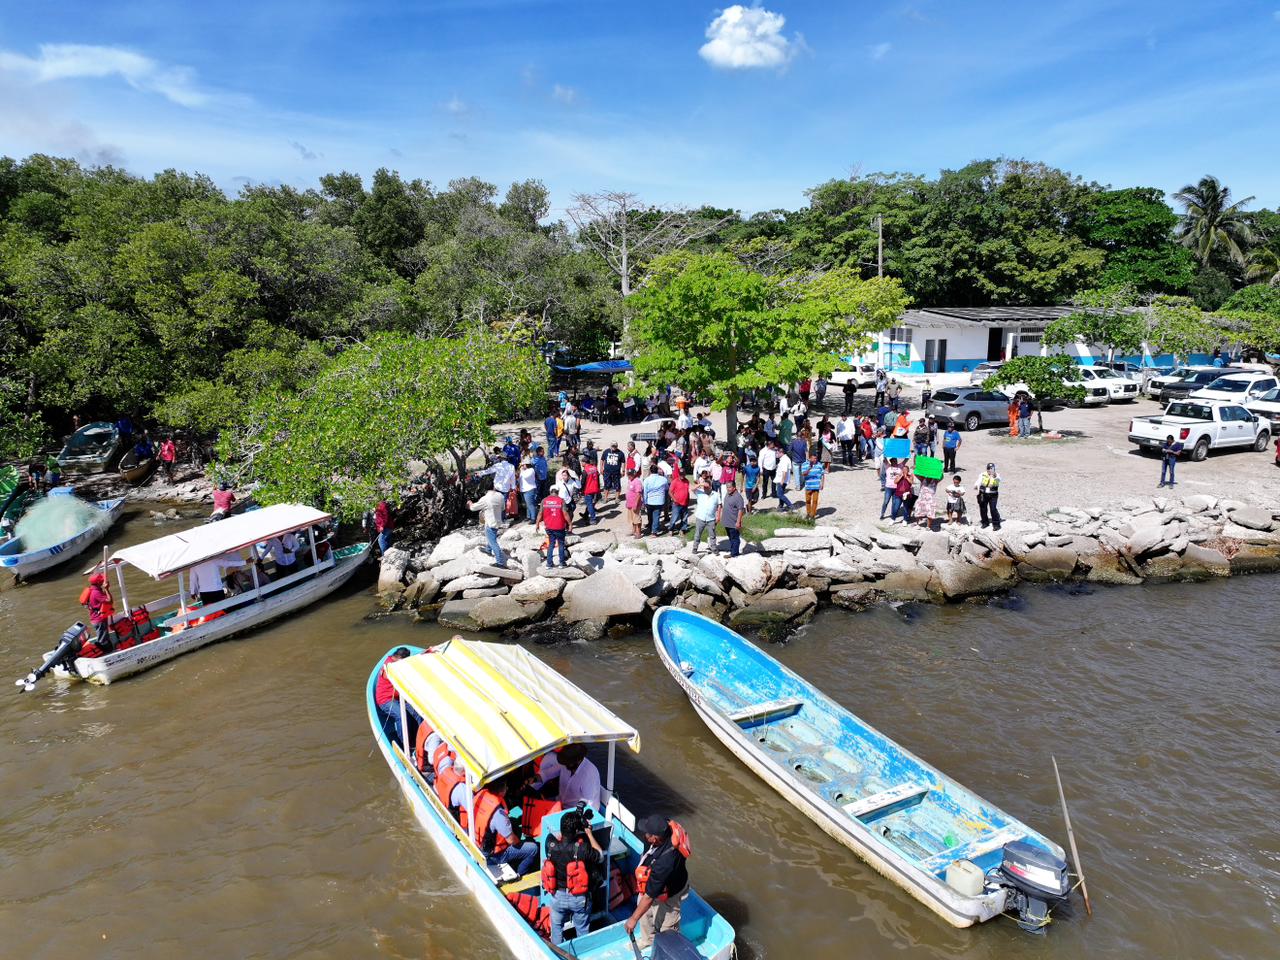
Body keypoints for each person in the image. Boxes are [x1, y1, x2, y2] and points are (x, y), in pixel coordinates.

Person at [625, 815, 692, 949]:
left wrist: (633, 919)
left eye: (647, 833)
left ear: (654, 838)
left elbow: (649, 897)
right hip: (654, 880)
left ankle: (668, 949)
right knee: (644, 911)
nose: (644, 834)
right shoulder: (665, 827)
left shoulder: (665, 862)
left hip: (671, 890)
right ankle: (647, 940)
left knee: (667, 926)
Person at [544, 806, 605, 945]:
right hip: (578, 899)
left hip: (557, 897)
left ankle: (557, 952)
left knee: (557, 928)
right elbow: (600, 856)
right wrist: (589, 834)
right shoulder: (583, 849)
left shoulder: (550, 844)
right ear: (577, 831)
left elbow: (554, 836)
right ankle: (583, 951)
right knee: (582, 929)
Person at [469, 779, 540, 878]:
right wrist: (521, 843)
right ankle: (520, 874)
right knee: (533, 848)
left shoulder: (481, 794)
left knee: (513, 823)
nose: (507, 789)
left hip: (476, 841)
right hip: (493, 856)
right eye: (506, 787)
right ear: (502, 791)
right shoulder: (498, 814)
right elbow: (512, 840)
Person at [536, 743, 603, 810]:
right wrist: (535, 778)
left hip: (573, 811)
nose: (565, 765)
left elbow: (592, 806)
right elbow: (547, 774)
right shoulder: (566, 763)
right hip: (559, 801)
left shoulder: (590, 774)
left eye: (569, 763)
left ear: (578, 760)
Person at [374, 647, 412, 741]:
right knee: (401, 716)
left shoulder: (398, 664)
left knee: (417, 712)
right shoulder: (388, 666)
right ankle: (404, 741)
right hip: (386, 700)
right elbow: (389, 675)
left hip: (400, 697)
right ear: (399, 658)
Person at [469, 486, 508, 567]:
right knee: (492, 538)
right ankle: (488, 549)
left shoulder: (485, 498)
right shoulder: (500, 496)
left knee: (493, 542)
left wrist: (470, 503)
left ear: (486, 490)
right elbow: (503, 508)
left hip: (490, 523)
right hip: (498, 521)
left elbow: (473, 508)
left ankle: (500, 562)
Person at [535, 487, 572, 567]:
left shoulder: (544, 501)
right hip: (559, 527)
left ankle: (549, 563)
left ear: (550, 491)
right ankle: (562, 563)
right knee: (561, 544)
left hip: (549, 527)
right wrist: (570, 524)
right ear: (558, 492)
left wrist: (537, 523)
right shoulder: (561, 500)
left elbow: (540, 513)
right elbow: (565, 513)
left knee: (551, 544)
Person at [80, 572, 114, 650]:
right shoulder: (96, 593)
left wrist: (104, 590)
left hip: (94, 618)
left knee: (103, 636)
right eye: (102, 580)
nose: (103, 581)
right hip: (99, 620)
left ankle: (104, 648)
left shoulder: (92, 590)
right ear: (98, 582)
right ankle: (105, 653)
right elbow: (110, 601)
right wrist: (107, 589)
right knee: (103, 640)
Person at [691, 475, 721, 553]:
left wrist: (718, 516)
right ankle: (695, 548)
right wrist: (701, 484)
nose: (705, 489)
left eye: (707, 487)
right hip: (700, 517)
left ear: (711, 487)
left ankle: (714, 548)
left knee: (712, 535)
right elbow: (692, 489)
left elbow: (719, 505)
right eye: (704, 487)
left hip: (711, 519)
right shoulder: (699, 492)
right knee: (697, 534)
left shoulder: (716, 495)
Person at [720, 480, 746, 557]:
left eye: (729, 487)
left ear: (734, 487)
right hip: (727, 522)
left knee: (735, 539)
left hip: (733, 523)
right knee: (731, 538)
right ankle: (733, 552)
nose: (728, 489)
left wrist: (738, 522)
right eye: (727, 487)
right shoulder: (728, 494)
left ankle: (734, 554)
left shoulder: (738, 497)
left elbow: (741, 510)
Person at [974, 463, 1002, 530]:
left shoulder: (997, 475)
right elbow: (978, 481)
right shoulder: (982, 474)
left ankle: (996, 524)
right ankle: (985, 522)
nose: (990, 470)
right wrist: (976, 486)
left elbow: (999, 479)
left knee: (993, 509)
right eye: (988, 468)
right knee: (983, 508)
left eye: (991, 468)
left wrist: (994, 475)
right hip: (983, 494)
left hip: (993, 495)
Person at [642, 467, 669, 536]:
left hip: (649, 500)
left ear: (650, 471)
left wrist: (644, 502)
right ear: (657, 471)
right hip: (659, 500)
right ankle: (654, 531)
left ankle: (651, 527)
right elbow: (666, 488)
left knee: (650, 514)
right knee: (656, 515)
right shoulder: (663, 479)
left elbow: (645, 492)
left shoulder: (647, 480)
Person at [801, 453, 825, 520]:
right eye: (813, 458)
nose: (815, 460)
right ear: (810, 458)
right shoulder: (804, 464)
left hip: (816, 485)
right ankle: (808, 513)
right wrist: (809, 468)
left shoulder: (820, 465)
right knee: (808, 500)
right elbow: (803, 474)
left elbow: (822, 475)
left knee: (815, 501)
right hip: (808, 485)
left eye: (816, 458)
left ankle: (812, 515)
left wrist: (822, 484)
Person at [669, 467, 691, 534]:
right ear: (679, 474)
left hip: (685, 503)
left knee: (684, 518)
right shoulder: (675, 481)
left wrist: (688, 500)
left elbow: (688, 491)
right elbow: (670, 492)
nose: (682, 475)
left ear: (685, 474)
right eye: (681, 474)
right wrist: (674, 499)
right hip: (677, 504)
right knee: (674, 518)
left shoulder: (687, 481)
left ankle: (682, 529)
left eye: (683, 474)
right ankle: (671, 529)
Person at [625, 469, 644, 539]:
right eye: (628, 475)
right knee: (632, 519)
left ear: (634, 474)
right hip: (630, 504)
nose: (629, 476)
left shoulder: (637, 482)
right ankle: (634, 531)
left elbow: (638, 494)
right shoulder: (630, 481)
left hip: (635, 504)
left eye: (630, 475)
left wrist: (636, 504)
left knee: (637, 519)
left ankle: (638, 533)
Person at [774, 446, 794, 512]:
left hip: (781, 480)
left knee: (779, 494)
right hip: (781, 479)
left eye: (777, 453)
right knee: (781, 493)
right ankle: (781, 506)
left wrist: (782, 481)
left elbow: (784, 471)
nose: (776, 454)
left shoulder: (784, 460)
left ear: (781, 453)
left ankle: (790, 505)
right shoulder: (784, 459)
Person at [581, 459, 601, 524]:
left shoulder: (585, 471)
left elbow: (583, 482)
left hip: (588, 490)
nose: (581, 464)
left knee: (589, 504)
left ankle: (593, 519)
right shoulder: (595, 468)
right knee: (590, 504)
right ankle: (586, 515)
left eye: (582, 462)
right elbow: (598, 479)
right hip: (595, 489)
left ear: (585, 462)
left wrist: (581, 490)